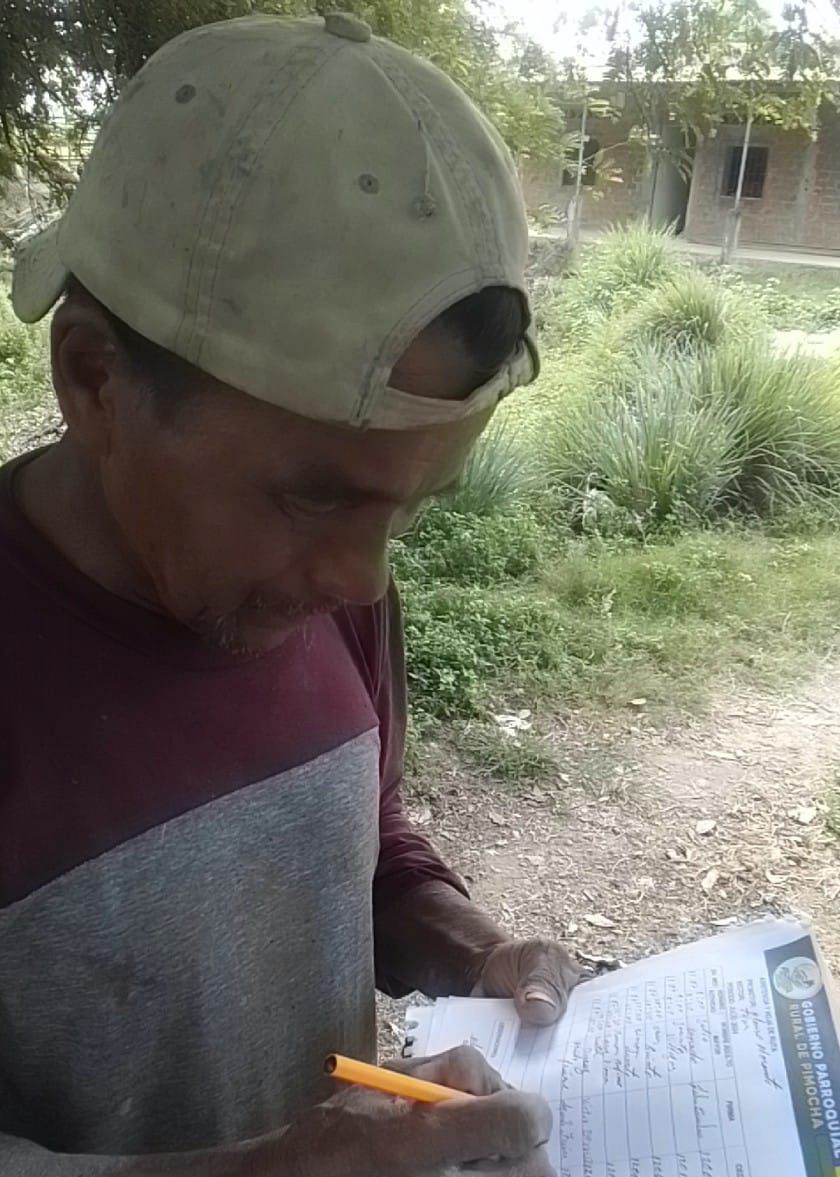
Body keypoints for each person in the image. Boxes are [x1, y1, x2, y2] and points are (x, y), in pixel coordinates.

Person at [0, 12, 580, 1176]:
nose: (362, 579)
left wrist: (472, 950)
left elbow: (361, 849)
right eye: (316, 496)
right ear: (95, 379)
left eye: (408, 508)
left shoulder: (324, 583)